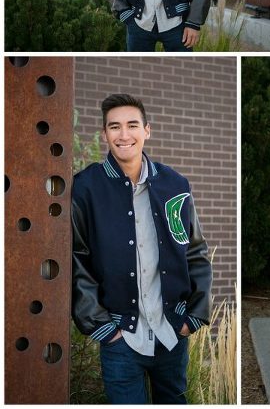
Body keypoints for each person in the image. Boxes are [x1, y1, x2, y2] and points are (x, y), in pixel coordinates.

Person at [72, 94, 212, 404]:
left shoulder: (175, 185)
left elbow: (195, 251)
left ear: (147, 130)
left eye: (132, 125)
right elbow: (77, 259)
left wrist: (192, 318)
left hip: (172, 334)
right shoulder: (85, 188)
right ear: (104, 134)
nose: (124, 134)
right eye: (114, 127)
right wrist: (103, 328)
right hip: (120, 339)